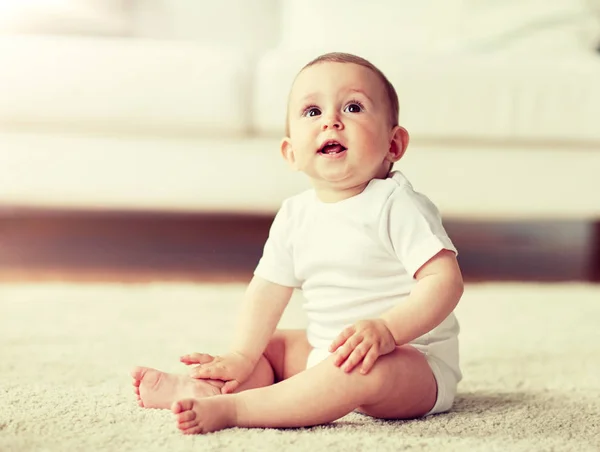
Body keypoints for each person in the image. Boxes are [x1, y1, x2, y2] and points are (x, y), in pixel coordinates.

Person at [131, 52, 464, 435]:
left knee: (363, 368)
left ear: (394, 144)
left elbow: (444, 281)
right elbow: (267, 290)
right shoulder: (294, 214)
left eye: (353, 107)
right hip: (327, 350)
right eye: (312, 112)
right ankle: (204, 387)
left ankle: (237, 409)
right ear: (291, 152)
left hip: (410, 364)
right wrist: (241, 355)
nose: (331, 121)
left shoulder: (396, 204)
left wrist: (387, 331)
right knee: (269, 347)